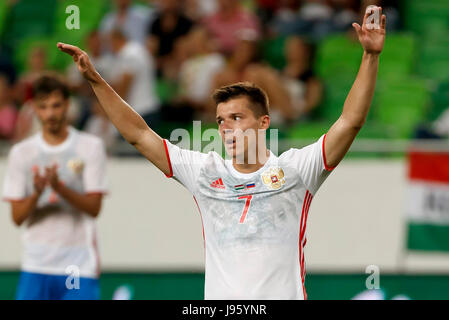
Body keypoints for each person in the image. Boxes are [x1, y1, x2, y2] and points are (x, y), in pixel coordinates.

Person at [57, 6, 386, 300]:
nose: (226, 127)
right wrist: (96, 81)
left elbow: (350, 121)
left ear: (263, 122)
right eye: (221, 121)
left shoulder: (296, 170)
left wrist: (370, 57)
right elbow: (140, 135)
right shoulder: (205, 171)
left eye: (237, 118)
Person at [2, 75, 108, 300]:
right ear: (34, 109)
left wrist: (59, 187)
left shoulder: (90, 147)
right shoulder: (22, 153)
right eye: (43, 107)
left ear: (67, 106)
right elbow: (17, 217)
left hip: (78, 262)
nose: (50, 114)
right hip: (36, 263)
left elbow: (94, 208)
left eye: (56, 105)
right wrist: (38, 193)